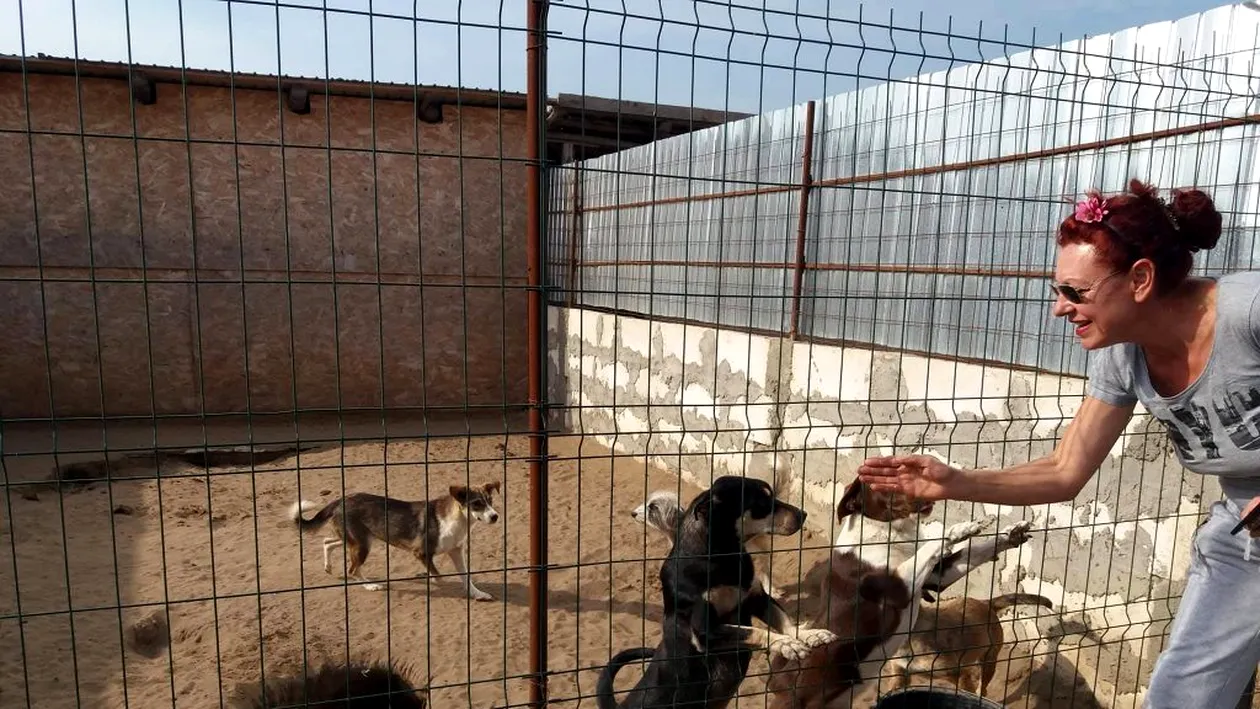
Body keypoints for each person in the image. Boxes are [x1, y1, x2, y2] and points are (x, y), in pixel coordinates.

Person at [857, 178, 1260, 708]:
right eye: (1057, 290)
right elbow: (1066, 470)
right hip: (1246, 529)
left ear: (1140, 278)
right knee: (1184, 692)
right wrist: (953, 482)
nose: (1059, 308)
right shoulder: (1123, 357)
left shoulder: (1246, 310)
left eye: (1076, 292)